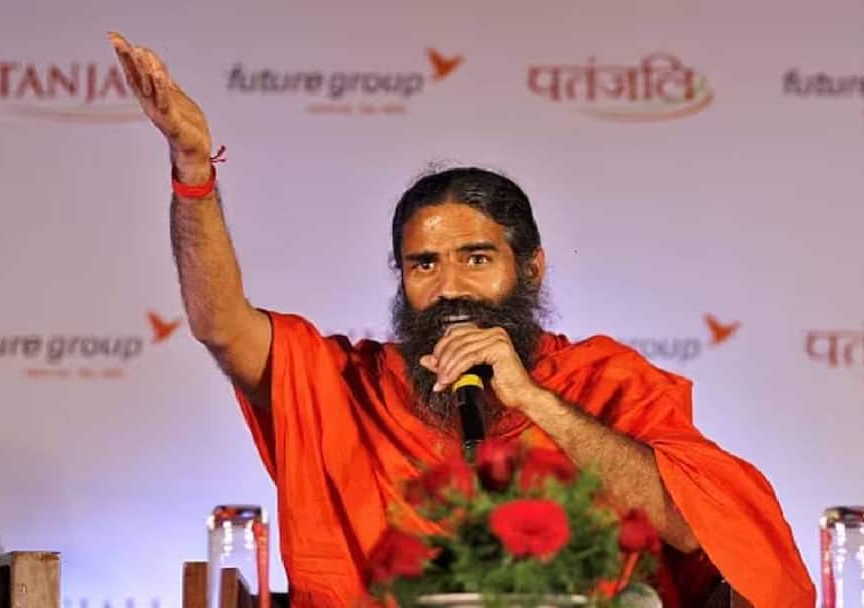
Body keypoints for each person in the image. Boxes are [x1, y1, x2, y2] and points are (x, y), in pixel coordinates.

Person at [108, 31, 816, 608]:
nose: (449, 288)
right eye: (424, 265)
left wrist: (535, 401)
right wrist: (193, 171)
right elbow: (220, 325)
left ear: (530, 269)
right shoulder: (346, 386)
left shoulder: (608, 384)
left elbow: (703, 531)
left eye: (476, 259)